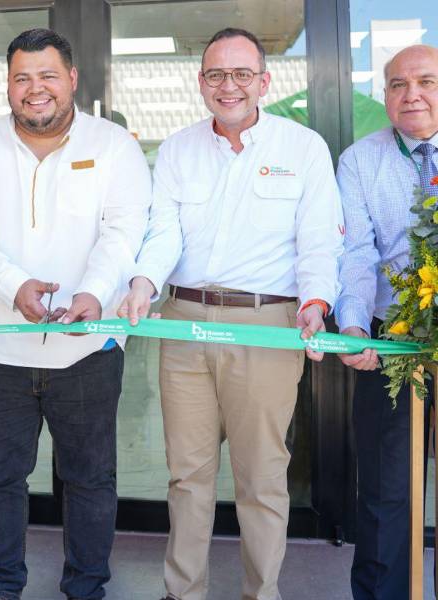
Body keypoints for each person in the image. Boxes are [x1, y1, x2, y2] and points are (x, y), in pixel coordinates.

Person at [120, 28, 344, 600]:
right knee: (186, 476)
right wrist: (144, 283)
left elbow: (320, 241)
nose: (229, 85)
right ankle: (182, 591)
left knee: (262, 477)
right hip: (183, 320)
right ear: (201, 84)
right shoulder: (176, 149)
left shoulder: (303, 147)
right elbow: (162, 231)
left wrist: (317, 302)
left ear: (264, 82)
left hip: (267, 325)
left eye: (242, 74)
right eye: (216, 74)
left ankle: (260, 592)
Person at [0, 28, 151, 600]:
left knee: (89, 480)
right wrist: (14, 287)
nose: (35, 90)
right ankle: (3, 587)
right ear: (8, 84)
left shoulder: (114, 145)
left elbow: (123, 229)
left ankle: (86, 588)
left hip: (87, 348)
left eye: (47, 75)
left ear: (73, 79)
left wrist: (93, 292)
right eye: (22, 77)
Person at [335, 44, 438, 600]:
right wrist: (351, 326)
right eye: (397, 84)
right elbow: (355, 256)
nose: (411, 94)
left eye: (425, 81)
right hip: (390, 341)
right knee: (386, 488)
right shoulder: (359, 161)